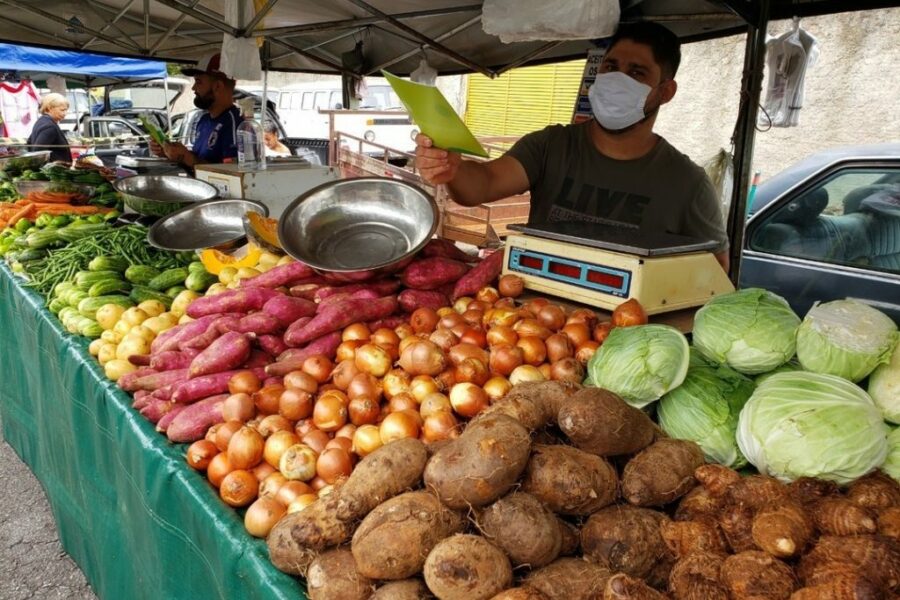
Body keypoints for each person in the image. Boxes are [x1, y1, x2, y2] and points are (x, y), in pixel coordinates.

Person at [415, 22, 729, 271]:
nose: (617, 79)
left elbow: (716, 272)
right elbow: (482, 184)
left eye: (637, 72)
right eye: (611, 66)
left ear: (665, 92)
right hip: (535, 325)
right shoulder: (551, 146)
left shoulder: (687, 183)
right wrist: (450, 168)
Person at [151, 52, 240, 170]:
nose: (193, 88)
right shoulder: (204, 121)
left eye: (198, 82)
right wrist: (169, 153)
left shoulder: (236, 124)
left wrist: (186, 157)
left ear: (218, 86)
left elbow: (233, 173)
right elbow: (198, 162)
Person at [27, 93, 71, 163]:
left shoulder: (42, 121)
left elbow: (29, 143)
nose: (65, 113)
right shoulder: (49, 126)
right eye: (62, 110)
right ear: (49, 108)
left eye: (66, 110)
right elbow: (38, 151)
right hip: (53, 170)